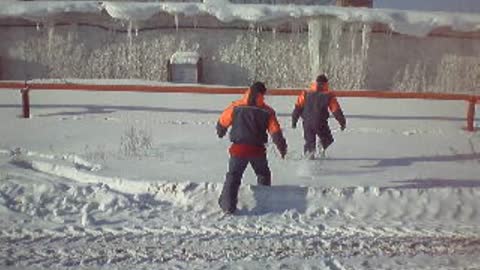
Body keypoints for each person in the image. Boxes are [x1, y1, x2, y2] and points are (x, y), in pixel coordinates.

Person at [216, 81, 287, 214]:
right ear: (262, 94)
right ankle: (264, 202)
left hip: (238, 149)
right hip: (257, 151)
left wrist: (221, 131)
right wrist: (282, 148)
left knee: (233, 176)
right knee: (263, 174)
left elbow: (223, 121)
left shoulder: (236, 106)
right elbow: (276, 132)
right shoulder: (267, 111)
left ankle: (227, 205)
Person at [291, 74, 346, 159]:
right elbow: (336, 111)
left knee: (309, 142)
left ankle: (308, 157)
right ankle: (321, 148)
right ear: (326, 84)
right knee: (328, 139)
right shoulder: (329, 95)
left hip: (307, 123)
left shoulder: (305, 94)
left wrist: (294, 121)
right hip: (320, 123)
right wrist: (342, 123)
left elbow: (297, 108)